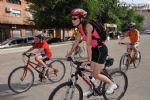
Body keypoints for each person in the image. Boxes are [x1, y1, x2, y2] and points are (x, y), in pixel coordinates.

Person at [66, 8, 117, 96]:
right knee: (90, 70)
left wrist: (89, 59)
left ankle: (112, 84)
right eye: (72, 18)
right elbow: (76, 42)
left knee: (96, 74)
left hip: (101, 49)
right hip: (94, 50)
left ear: (81, 19)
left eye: (74, 18)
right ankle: (93, 88)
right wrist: (68, 54)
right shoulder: (80, 28)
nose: (72, 20)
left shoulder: (88, 26)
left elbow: (88, 44)